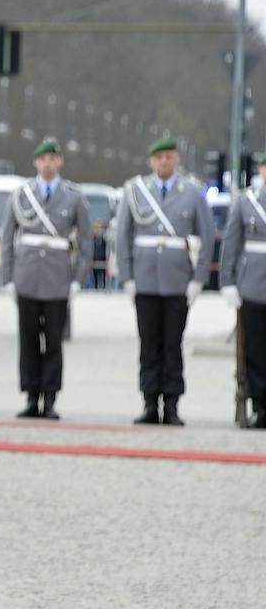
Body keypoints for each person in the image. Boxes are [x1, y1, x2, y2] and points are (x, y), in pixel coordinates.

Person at [113, 137, 214, 425]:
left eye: (169, 157)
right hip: (144, 280)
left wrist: (198, 279)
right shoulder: (135, 191)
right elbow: (123, 237)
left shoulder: (193, 193)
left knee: (173, 344)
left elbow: (206, 239)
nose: (164, 162)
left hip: (177, 280)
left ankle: (171, 403)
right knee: (148, 344)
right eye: (159, 158)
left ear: (176, 159)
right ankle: (149, 402)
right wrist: (127, 276)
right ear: (151, 161)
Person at [0, 138, 92, 420]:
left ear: (60, 161)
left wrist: (78, 279)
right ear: (36, 162)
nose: (48, 164)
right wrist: (8, 277)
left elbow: (86, 242)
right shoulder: (20, 195)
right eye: (43, 159)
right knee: (28, 340)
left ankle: (49, 397)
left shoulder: (74, 197)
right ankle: (30, 395)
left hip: (57, 279)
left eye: (53, 158)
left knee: (53, 341)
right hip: (26, 276)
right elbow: (6, 238)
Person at [223, 153, 266, 428]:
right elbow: (231, 244)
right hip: (253, 285)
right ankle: (261, 405)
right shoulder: (246, 200)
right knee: (255, 351)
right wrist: (227, 282)